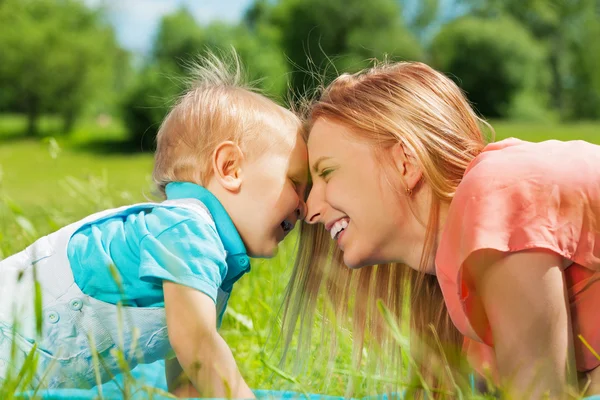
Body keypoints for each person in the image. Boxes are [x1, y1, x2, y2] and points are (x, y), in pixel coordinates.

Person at [281, 60, 600, 399]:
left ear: (405, 162)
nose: (310, 211)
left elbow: (542, 394)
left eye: (327, 173)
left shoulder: (496, 196)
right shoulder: (470, 301)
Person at [0, 52, 309, 398]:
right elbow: (198, 348)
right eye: (296, 183)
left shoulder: (210, 253)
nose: (304, 205)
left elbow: (188, 370)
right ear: (230, 167)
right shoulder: (188, 230)